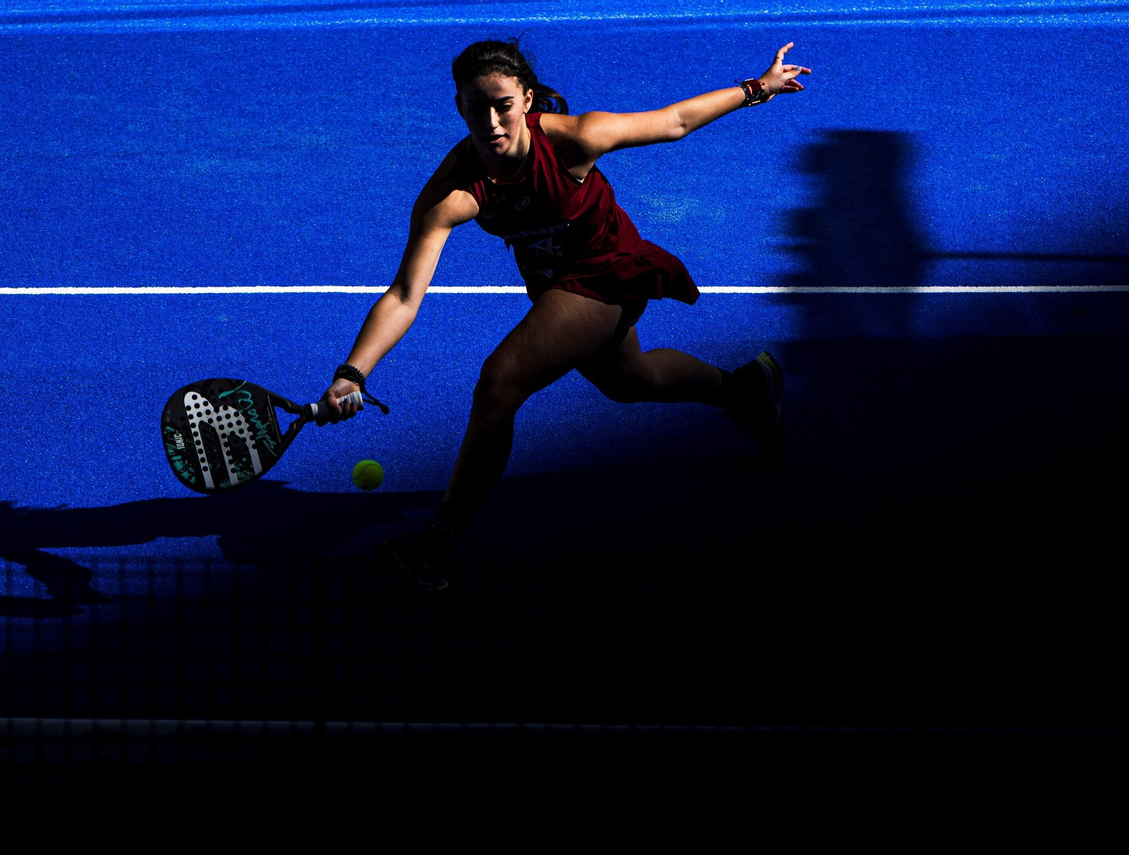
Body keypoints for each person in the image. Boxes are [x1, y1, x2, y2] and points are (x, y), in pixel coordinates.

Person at [324, 38, 812, 591]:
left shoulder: (576, 140)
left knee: (499, 382)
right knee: (632, 380)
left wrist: (757, 88)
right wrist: (353, 371)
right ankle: (746, 390)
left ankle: (438, 542)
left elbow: (674, 121)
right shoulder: (451, 192)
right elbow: (405, 296)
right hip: (555, 288)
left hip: (609, 272)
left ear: (526, 100)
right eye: (474, 107)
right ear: (458, 106)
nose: (490, 122)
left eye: (503, 105)